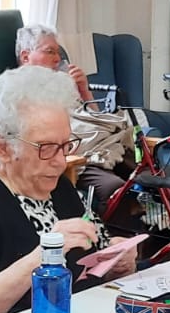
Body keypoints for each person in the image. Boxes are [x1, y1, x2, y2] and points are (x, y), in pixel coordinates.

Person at [0, 65, 136, 313]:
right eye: (47, 148)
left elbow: (96, 265)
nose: (62, 161)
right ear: (3, 148)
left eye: (66, 145)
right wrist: (41, 257)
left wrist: (117, 262)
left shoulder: (60, 188)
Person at [16, 23, 131, 214]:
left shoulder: (60, 83)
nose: (57, 58)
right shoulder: (17, 90)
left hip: (103, 148)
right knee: (114, 187)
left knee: (148, 176)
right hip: (75, 158)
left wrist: (84, 90)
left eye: (58, 52)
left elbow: (92, 118)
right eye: (50, 51)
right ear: (26, 57)